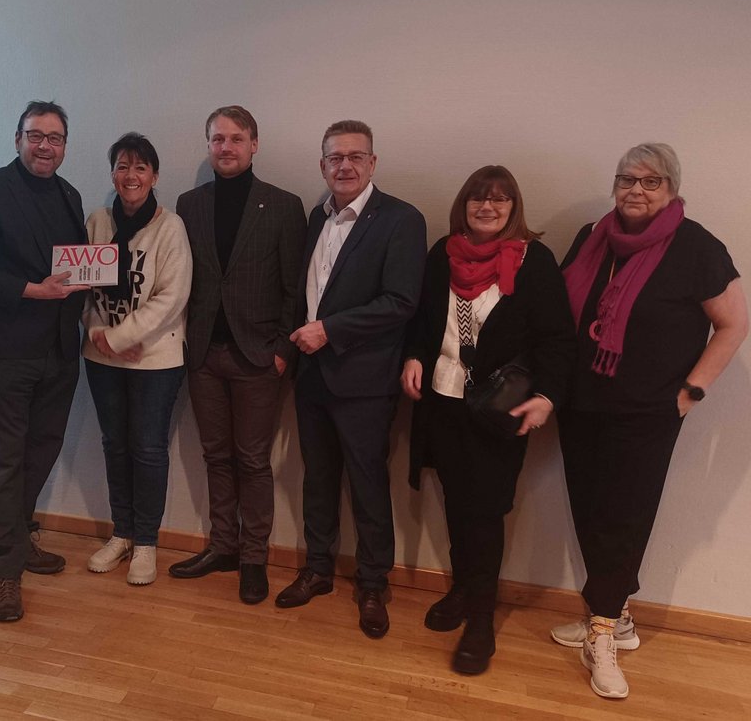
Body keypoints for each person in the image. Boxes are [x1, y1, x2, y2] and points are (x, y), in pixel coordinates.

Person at [553, 143, 747, 699]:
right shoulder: (592, 237)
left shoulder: (696, 246)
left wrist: (691, 392)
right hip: (581, 403)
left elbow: (734, 324)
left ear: (671, 189)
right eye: (627, 179)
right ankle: (615, 616)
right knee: (590, 510)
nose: (636, 190)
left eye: (651, 181)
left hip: (647, 410)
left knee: (625, 516)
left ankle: (602, 632)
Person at [402, 166, 575, 674]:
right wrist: (413, 356)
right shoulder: (443, 253)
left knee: (485, 512)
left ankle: (481, 620)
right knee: (457, 505)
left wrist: (548, 396)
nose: (488, 207)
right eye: (478, 198)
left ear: (513, 207)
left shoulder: (534, 261)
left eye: (500, 199)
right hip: (443, 402)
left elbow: (557, 339)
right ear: (464, 205)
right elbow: (422, 320)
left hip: (499, 409)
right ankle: (462, 589)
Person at [275, 120, 427, 639]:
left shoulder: (402, 219)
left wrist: (330, 330)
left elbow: (401, 301)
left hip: (364, 381)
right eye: (335, 157)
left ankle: (373, 583)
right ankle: (318, 568)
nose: (345, 166)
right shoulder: (315, 218)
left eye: (355, 156)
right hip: (312, 376)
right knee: (317, 479)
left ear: (372, 163)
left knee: (367, 485)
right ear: (322, 165)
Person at [0, 101, 90, 622]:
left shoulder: (69, 195)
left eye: (55, 138)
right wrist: (33, 290)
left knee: (41, 452)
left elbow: (74, 269)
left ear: (64, 146)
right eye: (35, 135)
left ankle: (17, 537)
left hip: (59, 350)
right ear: (17, 139)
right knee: (3, 462)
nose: (44, 146)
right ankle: (6, 573)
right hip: (5, 351)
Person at [169, 106, 306, 604]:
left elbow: (295, 287)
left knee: (252, 459)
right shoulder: (189, 204)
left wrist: (283, 351)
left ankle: (254, 558)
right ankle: (223, 546)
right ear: (208, 145)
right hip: (204, 353)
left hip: (258, 357)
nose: (225, 147)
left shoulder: (284, 205)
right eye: (217, 139)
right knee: (216, 456)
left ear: (254, 144)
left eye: (235, 138)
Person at [82, 133, 193, 585]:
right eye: (123, 166)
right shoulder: (97, 222)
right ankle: (121, 533)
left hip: (156, 359)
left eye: (140, 167)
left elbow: (172, 297)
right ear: (113, 174)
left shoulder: (171, 227)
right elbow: (81, 286)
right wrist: (101, 336)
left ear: (154, 176)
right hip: (101, 358)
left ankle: (146, 542)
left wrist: (122, 336)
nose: (131, 176)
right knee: (114, 444)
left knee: (147, 448)